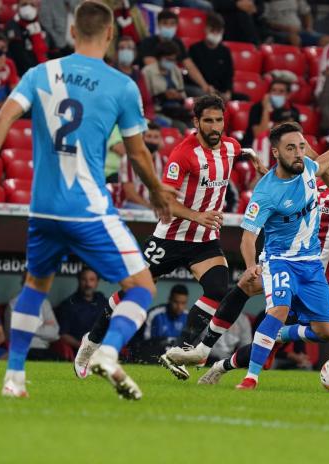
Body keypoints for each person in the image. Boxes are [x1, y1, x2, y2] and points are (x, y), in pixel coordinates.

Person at [0, 1, 176, 400]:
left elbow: (1, 119)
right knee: (142, 287)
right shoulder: (122, 85)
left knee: (35, 286)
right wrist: (158, 191)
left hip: (42, 208)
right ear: (110, 35)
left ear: (72, 32)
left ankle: (14, 378)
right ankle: (107, 351)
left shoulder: (41, 73)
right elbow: (138, 154)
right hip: (87, 208)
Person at [166, 126, 329, 386]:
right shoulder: (312, 181)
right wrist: (274, 174)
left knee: (294, 336)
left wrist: (321, 156)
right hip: (293, 263)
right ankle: (203, 350)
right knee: (247, 285)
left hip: (326, 276)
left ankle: (224, 364)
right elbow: (292, 185)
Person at [75, 94, 264, 382]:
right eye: (209, 121)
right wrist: (196, 215)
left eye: (219, 120)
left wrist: (253, 159)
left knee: (217, 288)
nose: (215, 127)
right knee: (131, 292)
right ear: (196, 122)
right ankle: (91, 342)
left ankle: (183, 349)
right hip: (171, 238)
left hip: (204, 240)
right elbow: (163, 200)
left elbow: (240, 151)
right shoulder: (182, 154)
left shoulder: (230, 146)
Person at [229, 117, 329, 390]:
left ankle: (278, 334)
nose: (299, 152)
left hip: (311, 264)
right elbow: (248, 237)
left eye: (301, 146)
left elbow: (324, 162)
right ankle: (251, 377)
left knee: (327, 331)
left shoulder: (309, 169)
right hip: (280, 261)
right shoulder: (265, 192)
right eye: (291, 148)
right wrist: (252, 264)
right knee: (279, 309)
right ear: (275, 152)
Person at [136, 9, 212, 95]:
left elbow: (190, 66)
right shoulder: (148, 42)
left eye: (172, 24)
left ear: (176, 25)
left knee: (201, 94)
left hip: (174, 84)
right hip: (154, 85)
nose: (168, 27)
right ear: (158, 24)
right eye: (165, 23)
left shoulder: (178, 43)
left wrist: (205, 86)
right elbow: (152, 66)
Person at [5, 273, 60, 361]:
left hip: (44, 349)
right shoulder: (13, 304)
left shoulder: (45, 303)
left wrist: (26, 327)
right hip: (25, 350)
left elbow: (55, 331)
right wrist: (42, 326)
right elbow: (12, 335)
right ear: (23, 282)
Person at [56, 268, 109, 351]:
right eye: (84, 279)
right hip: (78, 352)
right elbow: (63, 334)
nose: (88, 284)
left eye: (92, 280)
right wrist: (84, 348)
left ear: (97, 282)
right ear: (79, 280)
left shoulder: (103, 301)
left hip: (104, 350)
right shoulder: (69, 304)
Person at [142, 41, 189, 131]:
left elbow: (183, 94)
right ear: (159, 58)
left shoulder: (176, 70)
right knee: (182, 127)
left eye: (173, 60)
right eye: (168, 59)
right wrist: (164, 96)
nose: (171, 62)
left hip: (177, 110)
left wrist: (178, 96)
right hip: (157, 112)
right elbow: (146, 100)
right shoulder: (147, 72)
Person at [120, 122, 166, 210]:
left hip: (155, 206)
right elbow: (130, 194)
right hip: (132, 205)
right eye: (149, 136)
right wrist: (150, 208)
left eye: (156, 137)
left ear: (160, 140)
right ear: (142, 138)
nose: (152, 140)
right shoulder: (129, 159)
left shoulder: (164, 161)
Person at [188, 12, 234, 101]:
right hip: (202, 88)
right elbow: (192, 72)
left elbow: (229, 75)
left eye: (218, 31)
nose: (215, 34)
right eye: (213, 30)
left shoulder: (225, 52)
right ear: (206, 29)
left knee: (244, 98)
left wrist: (228, 92)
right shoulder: (195, 49)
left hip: (220, 91)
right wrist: (206, 87)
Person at [244, 79, 300, 148]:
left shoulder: (292, 111)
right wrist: (265, 110)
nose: (276, 94)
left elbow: (295, 137)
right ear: (268, 93)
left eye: (281, 91)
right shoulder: (257, 108)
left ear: (288, 95)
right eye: (273, 90)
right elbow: (260, 135)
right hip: (255, 148)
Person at [262, 0, 329, 47]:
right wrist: (285, 28)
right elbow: (266, 22)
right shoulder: (268, 2)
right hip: (279, 32)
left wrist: (309, 28)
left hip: (300, 31)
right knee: (295, 39)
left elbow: (306, 13)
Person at [5, 0, 48, 76]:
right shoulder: (12, 26)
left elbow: (52, 51)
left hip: (42, 72)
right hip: (22, 75)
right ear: (17, 6)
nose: (28, 7)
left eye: (32, 5)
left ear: (37, 8)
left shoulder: (40, 27)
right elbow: (19, 57)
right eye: (24, 4)